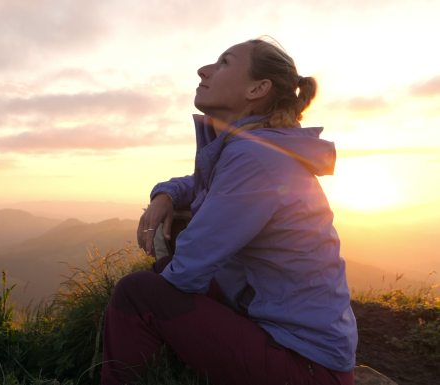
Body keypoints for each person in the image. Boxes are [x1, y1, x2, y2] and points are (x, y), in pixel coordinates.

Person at [100, 38, 358, 385]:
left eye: (223, 63)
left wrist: (165, 278)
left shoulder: (255, 158)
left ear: (258, 88)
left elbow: (187, 273)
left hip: (306, 367)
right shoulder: (256, 147)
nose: (203, 70)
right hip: (301, 345)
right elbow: (199, 182)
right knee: (163, 274)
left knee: (137, 294)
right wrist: (165, 195)